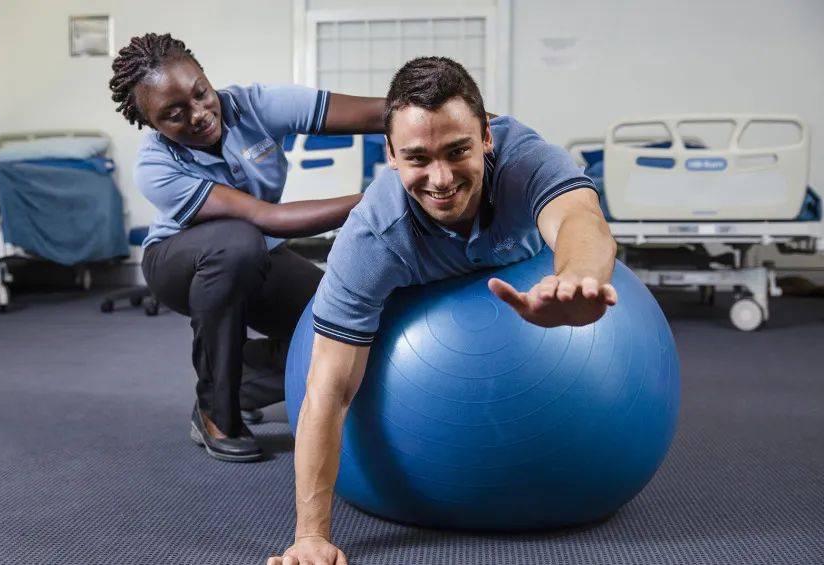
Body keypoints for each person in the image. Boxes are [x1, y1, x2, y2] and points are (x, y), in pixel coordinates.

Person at [268, 57, 619, 565]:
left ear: (487, 136)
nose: (441, 178)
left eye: (458, 151)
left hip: (540, 282)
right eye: (417, 158)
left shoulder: (530, 161)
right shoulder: (371, 237)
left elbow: (581, 222)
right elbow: (328, 390)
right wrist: (310, 537)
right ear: (390, 155)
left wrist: (577, 279)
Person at [109, 33, 385, 462]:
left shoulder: (254, 104)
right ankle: (216, 412)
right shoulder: (155, 166)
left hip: (258, 250)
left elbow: (376, 114)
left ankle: (241, 380)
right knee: (235, 241)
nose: (199, 114)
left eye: (201, 93)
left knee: (344, 322)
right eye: (174, 114)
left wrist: (469, 122)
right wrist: (383, 198)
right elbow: (265, 218)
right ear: (153, 124)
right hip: (179, 263)